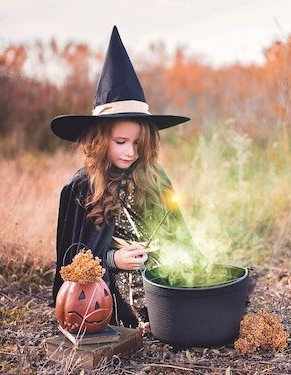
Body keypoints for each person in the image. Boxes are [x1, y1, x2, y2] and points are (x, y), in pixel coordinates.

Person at [49, 26, 198, 328]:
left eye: (138, 144)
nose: (130, 152)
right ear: (100, 139)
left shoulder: (154, 177)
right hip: (108, 300)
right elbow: (71, 261)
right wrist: (112, 260)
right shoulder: (81, 188)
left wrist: (171, 256)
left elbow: (177, 234)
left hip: (162, 288)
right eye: (121, 142)